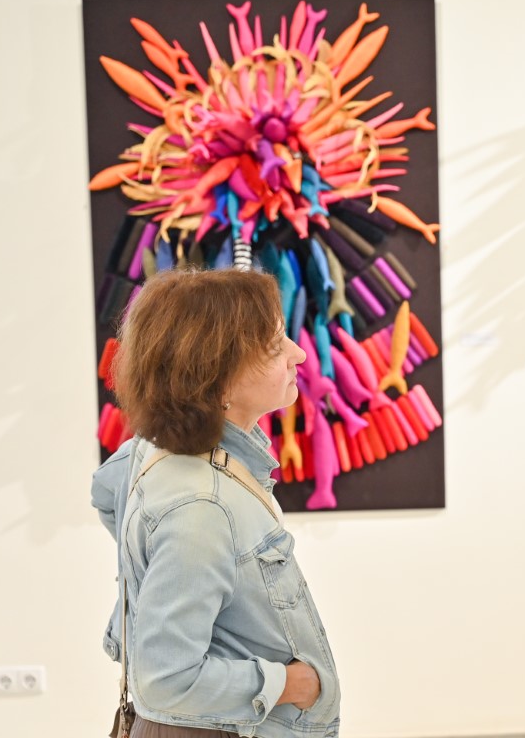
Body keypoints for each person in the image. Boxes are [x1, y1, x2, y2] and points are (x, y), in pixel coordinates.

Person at [92, 268, 341, 738]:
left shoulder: (150, 449)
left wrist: (147, 576)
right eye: (275, 346)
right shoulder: (200, 507)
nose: (299, 353)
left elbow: (106, 493)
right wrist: (291, 684)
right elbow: (166, 681)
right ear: (218, 379)